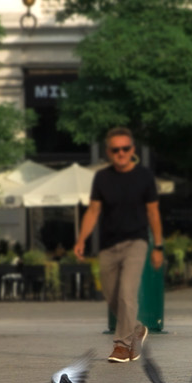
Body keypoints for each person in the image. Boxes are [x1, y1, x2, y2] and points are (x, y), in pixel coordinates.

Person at [73, 127, 164, 364]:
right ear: (109, 152)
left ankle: (122, 345)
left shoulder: (144, 177)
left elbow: (153, 213)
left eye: (125, 149)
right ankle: (137, 329)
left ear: (132, 150)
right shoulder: (102, 178)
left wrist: (158, 246)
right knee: (112, 296)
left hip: (136, 242)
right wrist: (81, 240)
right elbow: (93, 211)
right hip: (108, 245)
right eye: (115, 150)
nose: (121, 153)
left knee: (126, 293)